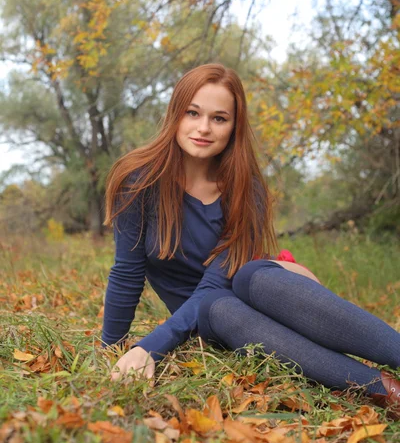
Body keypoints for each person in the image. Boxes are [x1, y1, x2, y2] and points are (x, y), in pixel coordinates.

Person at [102, 63, 400, 417]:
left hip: (258, 290)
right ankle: (384, 389)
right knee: (221, 307)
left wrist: (283, 271)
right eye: (193, 113)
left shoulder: (247, 187)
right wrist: (115, 348)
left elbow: (222, 276)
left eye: (219, 118)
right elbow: (127, 272)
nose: (203, 128)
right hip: (210, 318)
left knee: (250, 275)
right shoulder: (137, 181)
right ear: (175, 115)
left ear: (234, 126)